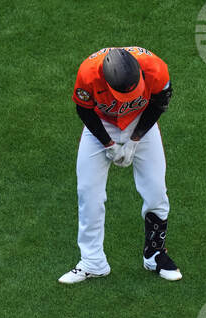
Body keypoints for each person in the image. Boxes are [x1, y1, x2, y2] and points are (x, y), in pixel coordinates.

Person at [58, 46, 182, 284]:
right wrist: (108, 143)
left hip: (141, 122)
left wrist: (135, 139)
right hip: (101, 126)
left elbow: (159, 104)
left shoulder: (155, 68)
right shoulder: (88, 73)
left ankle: (155, 254)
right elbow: (83, 110)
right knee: (88, 192)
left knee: (156, 189)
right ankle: (92, 262)